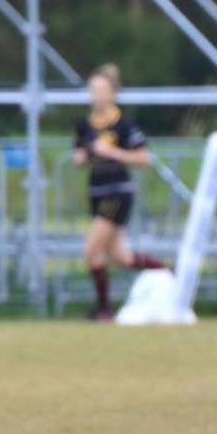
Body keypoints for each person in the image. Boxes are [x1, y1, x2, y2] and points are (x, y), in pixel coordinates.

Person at [72, 64, 166, 321]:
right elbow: (78, 155)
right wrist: (82, 157)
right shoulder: (85, 125)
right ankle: (168, 273)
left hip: (118, 192)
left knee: (92, 250)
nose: (96, 95)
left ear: (113, 93)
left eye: (101, 90)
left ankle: (103, 310)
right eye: (92, 90)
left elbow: (144, 158)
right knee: (120, 256)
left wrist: (110, 152)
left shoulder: (124, 124)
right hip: (97, 191)